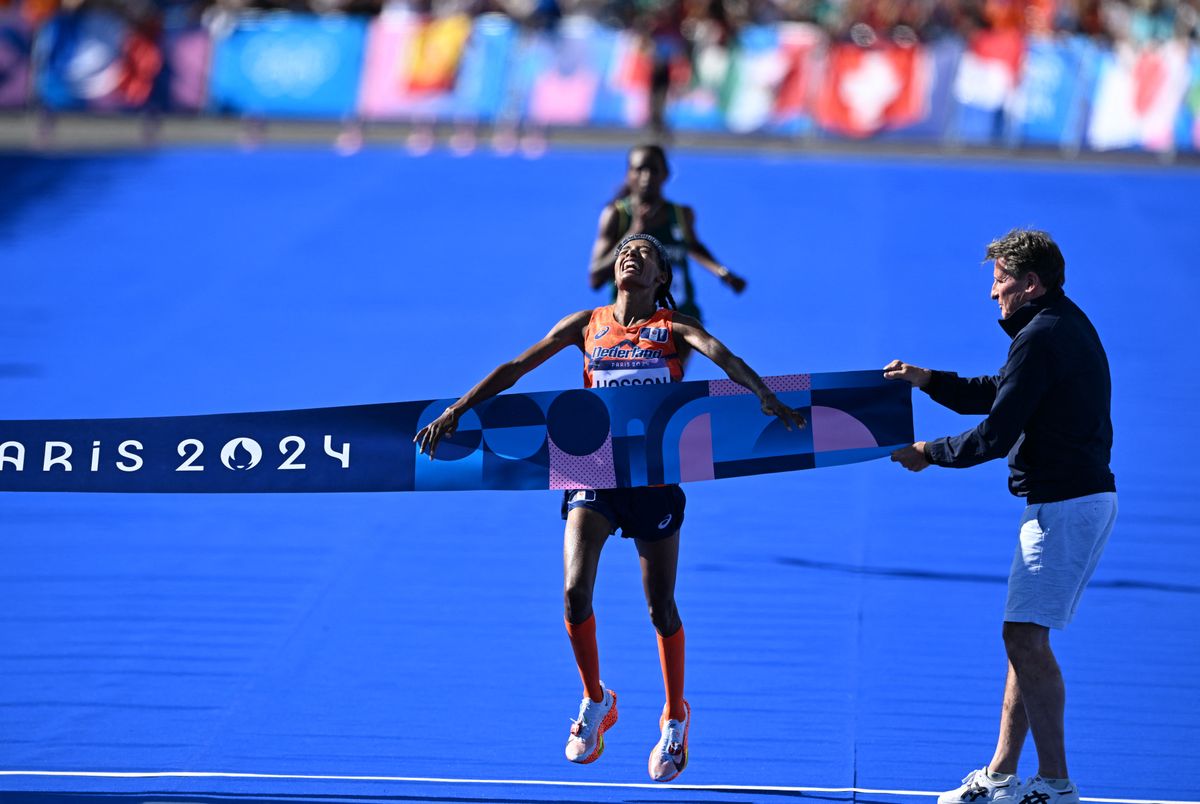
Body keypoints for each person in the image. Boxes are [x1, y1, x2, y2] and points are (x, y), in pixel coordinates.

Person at [416, 232, 804, 782]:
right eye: (625, 250)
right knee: (574, 593)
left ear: (660, 277)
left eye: (644, 253)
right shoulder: (586, 323)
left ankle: (674, 715)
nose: (630, 254)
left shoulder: (674, 328)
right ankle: (597, 700)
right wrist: (457, 409)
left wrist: (762, 392)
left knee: (660, 607)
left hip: (652, 477)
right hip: (593, 469)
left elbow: (724, 355)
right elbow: (517, 366)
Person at [885, 229, 1117, 804]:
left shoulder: (1042, 337)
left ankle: (1057, 784)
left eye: (1000, 281)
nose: (993, 295)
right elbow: (999, 392)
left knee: (1025, 640)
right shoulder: (1055, 325)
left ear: (1029, 284)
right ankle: (1002, 775)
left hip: (1065, 508)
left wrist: (928, 453)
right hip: (1067, 503)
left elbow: (995, 433)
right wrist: (927, 379)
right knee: (1024, 637)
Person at [588, 145, 746, 325]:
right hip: (631, 324)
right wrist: (634, 232)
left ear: (666, 174)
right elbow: (595, 278)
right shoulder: (616, 216)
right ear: (628, 174)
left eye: (654, 170)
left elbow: (692, 247)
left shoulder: (681, 215)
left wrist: (722, 273)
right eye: (640, 170)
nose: (646, 177)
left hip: (677, 319)